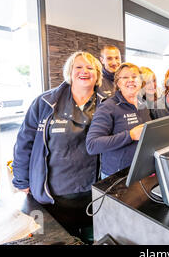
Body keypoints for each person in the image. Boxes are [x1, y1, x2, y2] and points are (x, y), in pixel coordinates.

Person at [12, 51, 105, 243]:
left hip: (91, 194)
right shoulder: (44, 103)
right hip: (53, 195)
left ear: (97, 75)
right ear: (69, 73)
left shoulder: (107, 105)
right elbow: (24, 142)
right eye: (78, 67)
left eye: (90, 67)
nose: (84, 71)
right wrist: (21, 180)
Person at [86, 62, 152, 179]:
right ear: (118, 82)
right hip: (117, 177)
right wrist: (130, 135)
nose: (131, 80)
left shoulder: (143, 104)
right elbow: (92, 145)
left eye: (134, 76)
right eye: (125, 77)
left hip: (141, 170)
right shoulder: (108, 107)